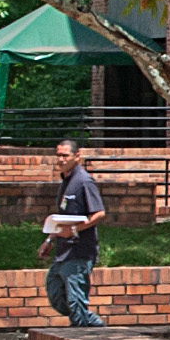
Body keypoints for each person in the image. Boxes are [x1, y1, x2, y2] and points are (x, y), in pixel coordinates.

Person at [43, 139, 106, 327]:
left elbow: (99, 213)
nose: (61, 159)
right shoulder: (67, 181)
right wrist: (50, 239)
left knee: (76, 303)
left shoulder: (83, 181)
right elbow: (63, 217)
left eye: (65, 155)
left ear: (77, 156)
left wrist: (73, 230)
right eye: (58, 155)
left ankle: (86, 332)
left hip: (79, 252)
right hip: (63, 252)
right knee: (55, 290)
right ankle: (90, 323)